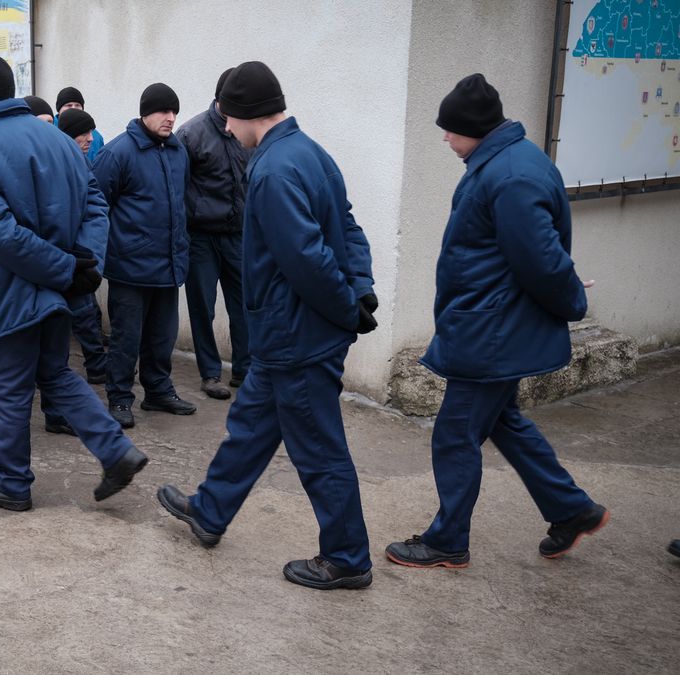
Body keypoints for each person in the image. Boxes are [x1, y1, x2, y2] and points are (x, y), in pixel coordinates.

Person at [157, 61, 377, 591]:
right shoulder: (310, 152)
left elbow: (307, 258)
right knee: (251, 427)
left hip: (295, 336)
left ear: (247, 115)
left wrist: (350, 305)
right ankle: (210, 511)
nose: (226, 129)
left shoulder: (274, 169)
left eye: (228, 119)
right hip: (286, 335)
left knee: (319, 452)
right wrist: (362, 287)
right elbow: (348, 227)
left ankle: (347, 558)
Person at [385, 74, 608, 569]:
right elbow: (529, 251)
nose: (444, 138)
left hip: (492, 331)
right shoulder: (508, 161)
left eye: (449, 130)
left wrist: (572, 297)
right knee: (503, 421)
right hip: (494, 324)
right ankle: (572, 509)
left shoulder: (510, 175)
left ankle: (446, 541)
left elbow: (540, 258)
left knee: (454, 434)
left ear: (475, 129)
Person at [0, 54, 148, 511]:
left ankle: (11, 484)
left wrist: (68, 266)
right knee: (55, 374)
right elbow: (96, 203)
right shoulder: (59, 140)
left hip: (8, 291)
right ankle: (116, 451)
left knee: (5, 387)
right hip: (58, 290)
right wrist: (84, 262)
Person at [92, 83, 196, 429]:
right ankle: (120, 397)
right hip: (129, 269)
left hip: (168, 266)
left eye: (174, 112)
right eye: (163, 111)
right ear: (144, 113)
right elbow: (96, 205)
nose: (170, 118)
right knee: (126, 339)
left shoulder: (178, 151)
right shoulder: (118, 153)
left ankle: (158, 391)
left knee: (161, 337)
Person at [175, 69, 251, 400]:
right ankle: (210, 373)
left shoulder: (246, 131)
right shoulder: (191, 134)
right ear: (219, 99)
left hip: (238, 235)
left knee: (244, 305)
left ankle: (245, 370)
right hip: (201, 238)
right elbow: (175, 188)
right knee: (202, 307)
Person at [40, 108, 109, 436]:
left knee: (73, 330)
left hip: (75, 267)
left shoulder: (76, 161)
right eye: (84, 132)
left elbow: (95, 207)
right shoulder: (28, 162)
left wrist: (89, 256)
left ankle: (64, 411)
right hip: (39, 270)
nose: (90, 139)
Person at [55, 87, 104, 163]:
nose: (73, 108)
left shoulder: (96, 137)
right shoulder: (50, 132)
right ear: (59, 109)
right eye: (69, 105)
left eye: (77, 105)